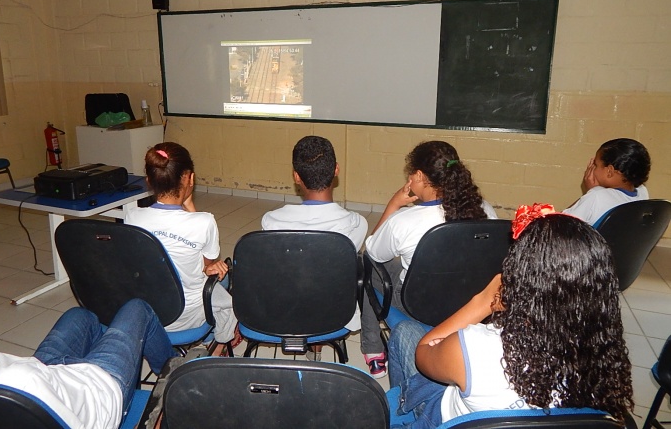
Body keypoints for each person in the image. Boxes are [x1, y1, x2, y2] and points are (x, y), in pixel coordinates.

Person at [387, 208, 634, 428]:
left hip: (447, 419)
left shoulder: (474, 346)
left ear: (519, 278)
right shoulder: (604, 351)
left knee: (405, 332)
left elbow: (423, 353)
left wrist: (483, 302)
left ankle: (401, 414)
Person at [361, 140, 497, 378]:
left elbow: (373, 251)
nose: (409, 180)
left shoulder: (404, 221)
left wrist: (393, 205)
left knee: (367, 264)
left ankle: (373, 349)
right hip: (470, 302)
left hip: (418, 305)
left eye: (411, 175)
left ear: (420, 176)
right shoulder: (485, 209)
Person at [0, 299, 177, 429]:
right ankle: (175, 374)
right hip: (100, 391)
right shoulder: (16, 385)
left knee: (80, 316)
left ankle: (109, 352)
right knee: (137, 308)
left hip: (47, 374)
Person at [261, 135, 368, 360]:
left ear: (296, 176)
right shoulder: (356, 223)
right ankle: (316, 346)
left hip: (284, 310)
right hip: (333, 313)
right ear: (336, 170)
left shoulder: (271, 221)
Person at [125, 142, 239, 348]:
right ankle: (218, 343)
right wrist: (190, 205)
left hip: (148, 313)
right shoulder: (204, 222)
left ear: (149, 180)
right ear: (189, 178)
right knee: (224, 276)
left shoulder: (132, 217)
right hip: (189, 318)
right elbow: (208, 266)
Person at [563, 137, 651, 226]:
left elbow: (559, 225)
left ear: (609, 172)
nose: (592, 169)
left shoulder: (596, 197)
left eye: (596, 165)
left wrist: (590, 193)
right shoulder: (643, 193)